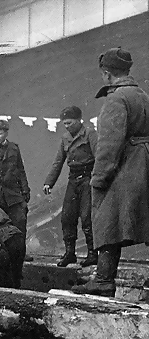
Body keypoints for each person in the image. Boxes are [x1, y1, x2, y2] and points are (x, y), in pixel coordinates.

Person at [74, 48, 149, 297]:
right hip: (145, 165)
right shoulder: (143, 95)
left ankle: (104, 279)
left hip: (127, 166)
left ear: (106, 74)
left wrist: (99, 178)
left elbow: (109, 146)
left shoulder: (115, 100)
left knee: (107, 217)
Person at [43, 106, 99, 268]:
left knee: (87, 217)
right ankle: (70, 253)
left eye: (69, 122)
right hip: (73, 180)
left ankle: (92, 253)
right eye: (64, 123)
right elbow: (58, 162)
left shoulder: (90, 134)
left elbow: (99, 157)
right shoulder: (65, 138)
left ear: (78, 120)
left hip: (88, 179)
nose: (66, 126)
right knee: (67, 217)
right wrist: (49, 182)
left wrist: (97, 179)